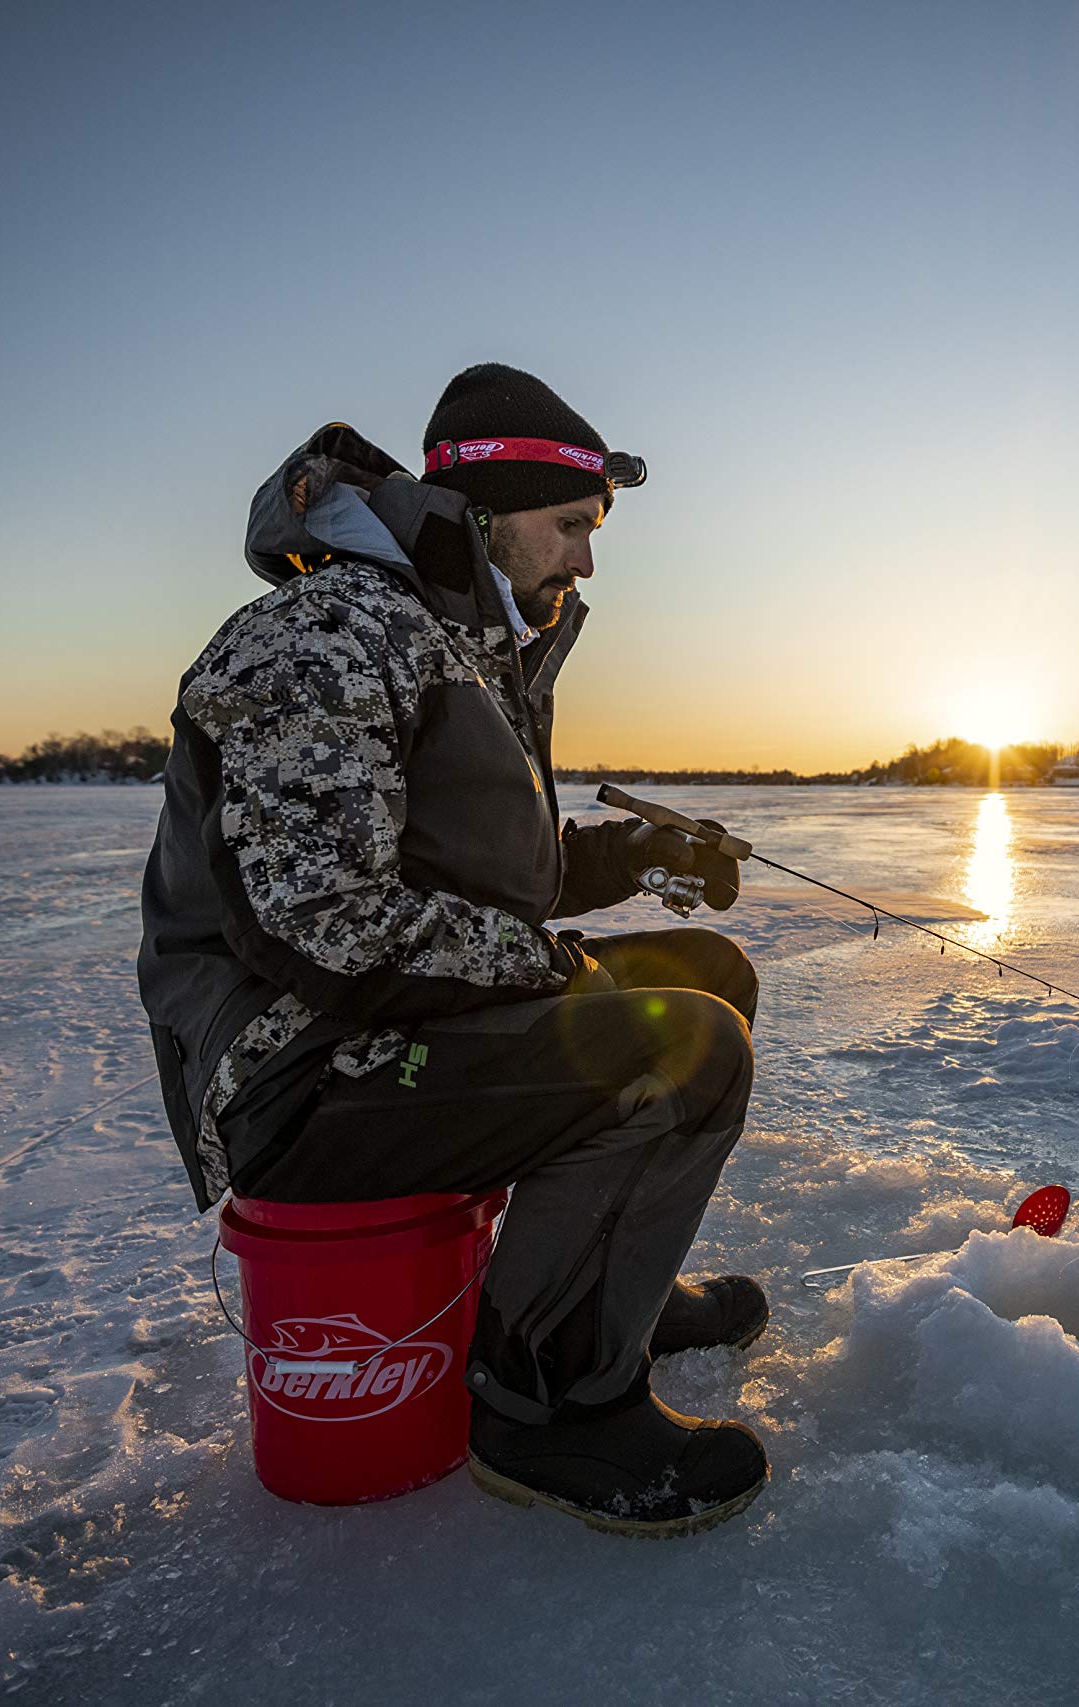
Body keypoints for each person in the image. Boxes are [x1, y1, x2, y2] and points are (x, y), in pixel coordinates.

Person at [137, 364, 770, 1537]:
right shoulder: (324, 635)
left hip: (389, 1026)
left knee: (704, 976)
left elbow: (468, 867)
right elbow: (322, 921)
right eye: (571, 526)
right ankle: (550, 1412)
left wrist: (629, 857)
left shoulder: (450, 639)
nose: (586, 560)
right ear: (485, 511)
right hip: (300, 1072)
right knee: (684, 1049)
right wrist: (555, 970)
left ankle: (603, 1297)